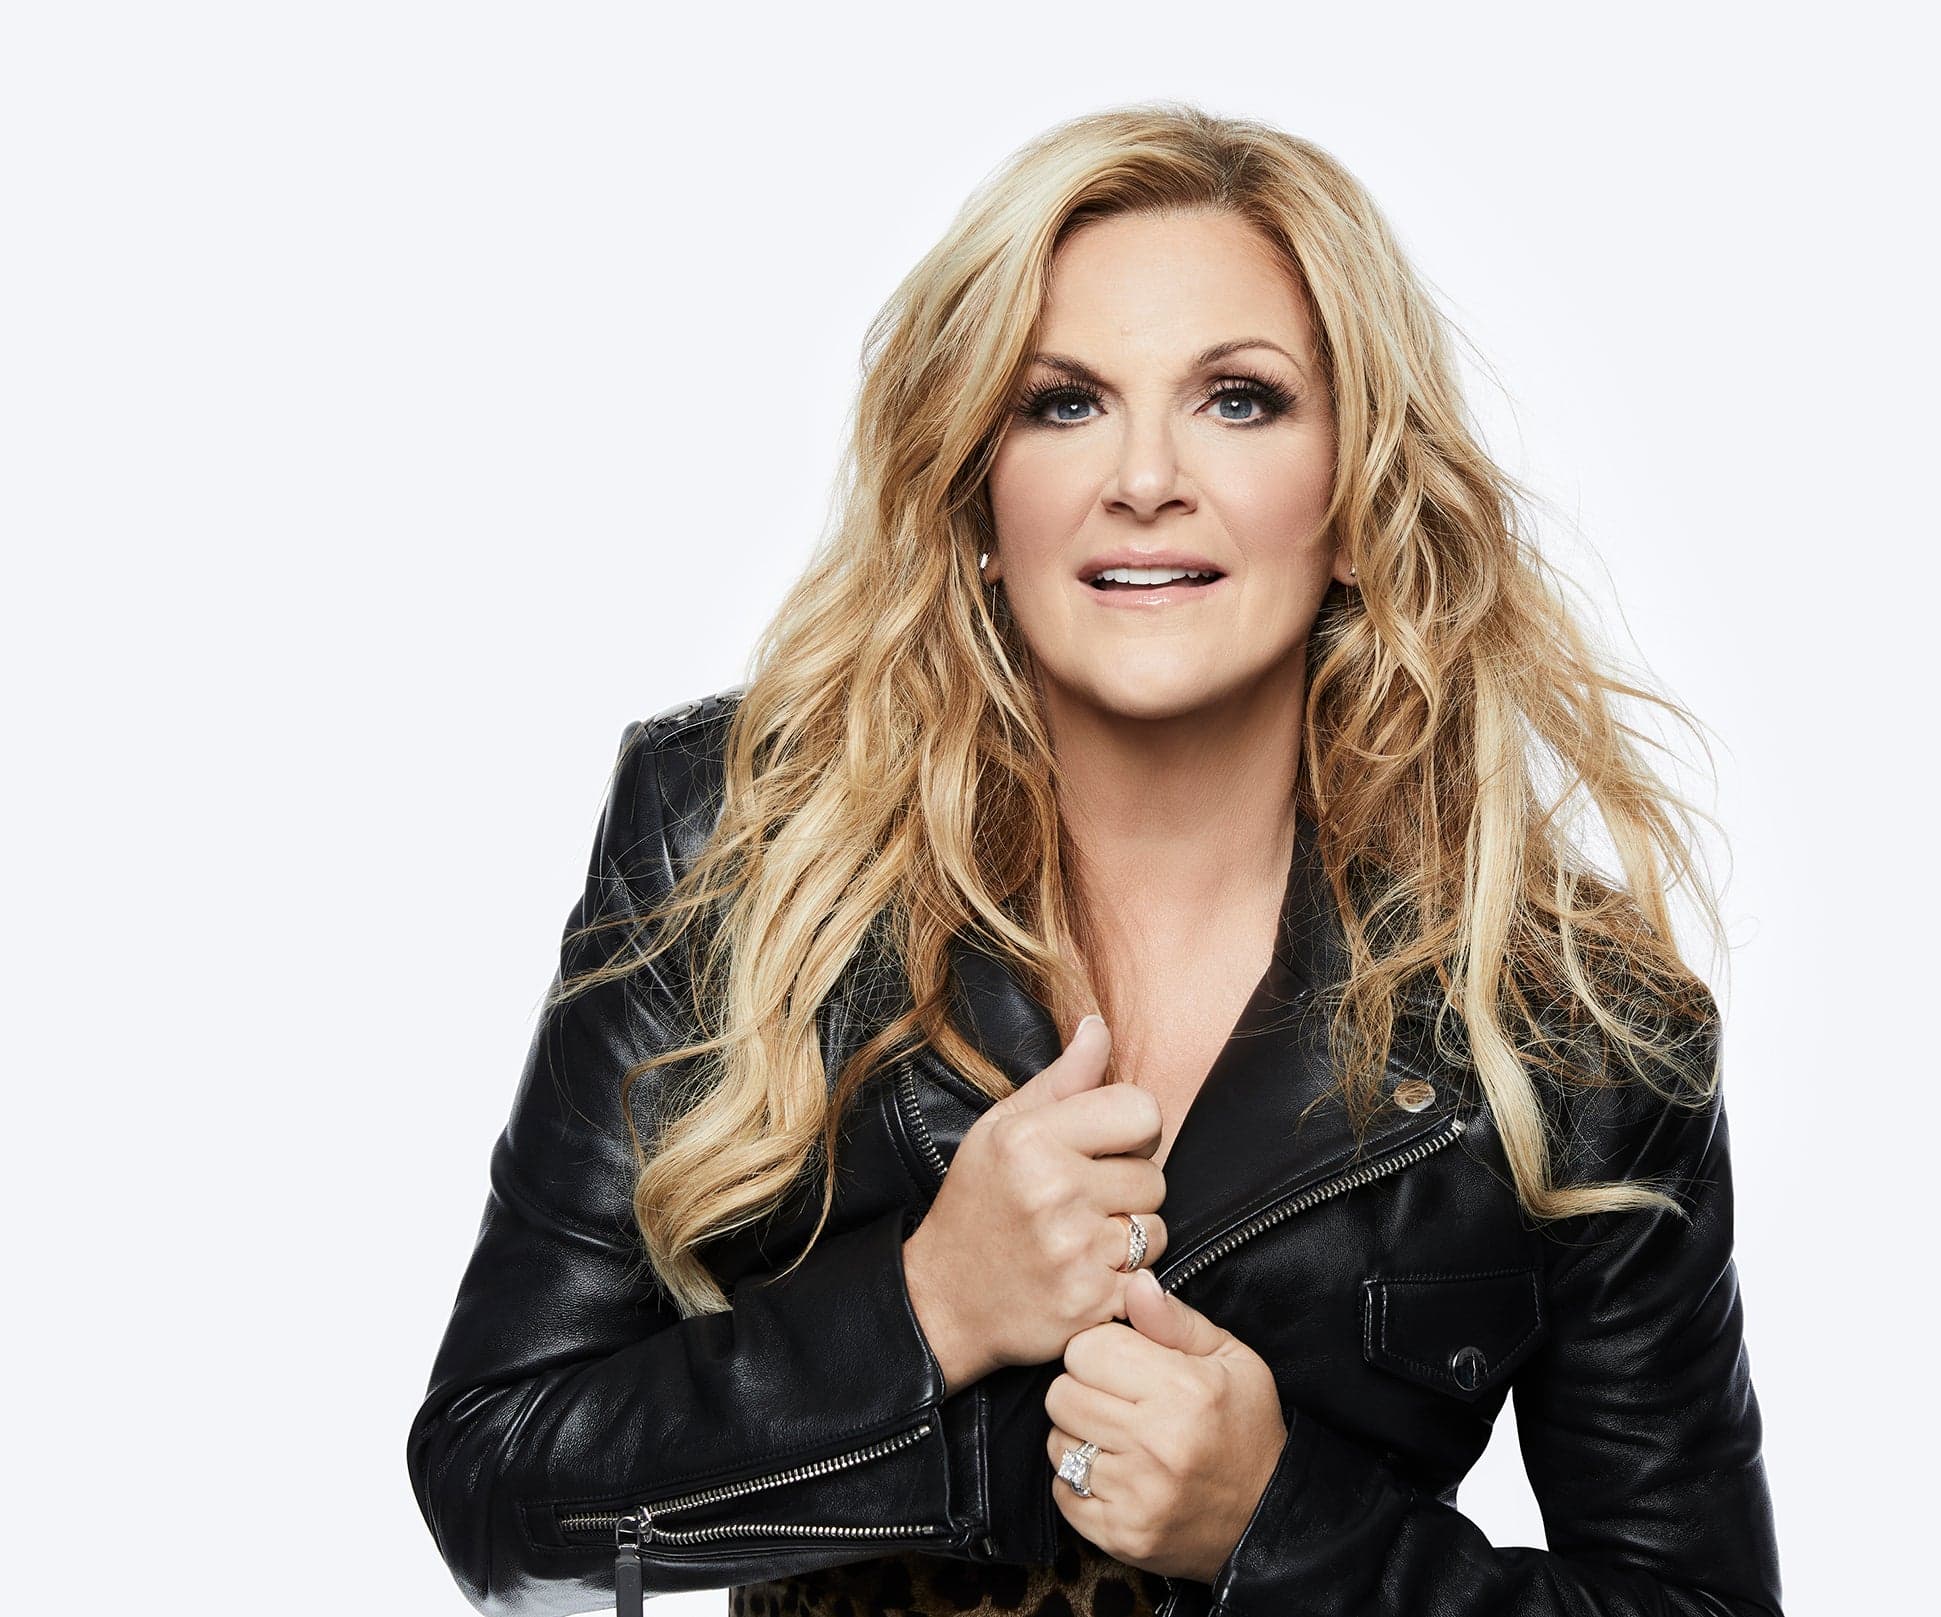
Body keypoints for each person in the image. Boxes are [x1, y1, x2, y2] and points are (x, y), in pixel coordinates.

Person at [407, 101, 1784, 1617]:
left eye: (1240, 401)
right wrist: (929, 1309)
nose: (1145, 477)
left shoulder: (1573, 1026)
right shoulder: (742, 844)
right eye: (1064, 403)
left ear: (1356, 500)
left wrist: (1283, 1528)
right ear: (979, 498)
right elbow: (495, 1485)